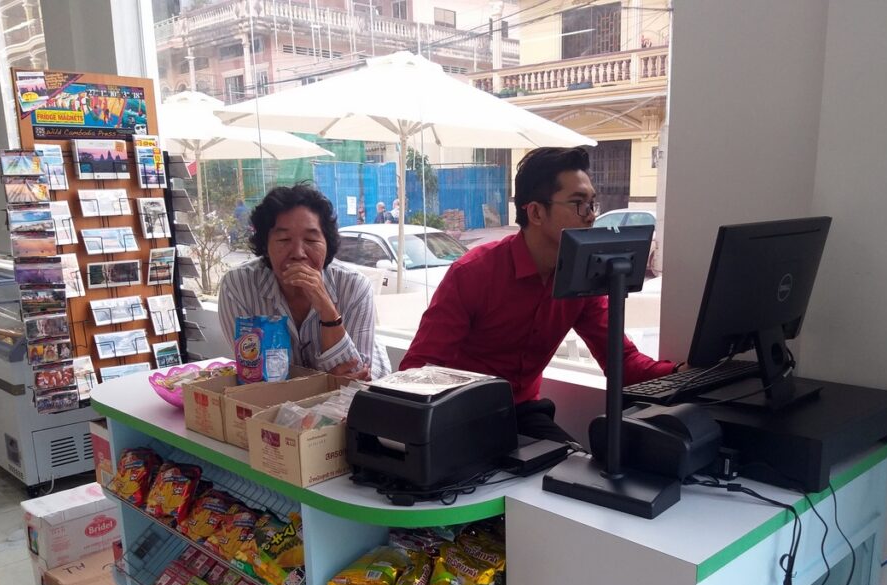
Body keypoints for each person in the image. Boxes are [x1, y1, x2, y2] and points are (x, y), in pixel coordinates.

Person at [399, 146, 678, 442]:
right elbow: (415, 372)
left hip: (523, 414)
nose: (591, 217)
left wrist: (685, 373)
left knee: (576, 469)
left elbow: (622, 363)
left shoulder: (583, 279)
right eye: (579, 204)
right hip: (459, 418)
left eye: (593, 204)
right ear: (535, 212)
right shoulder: (473, 274)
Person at [218, 183, 391, 380]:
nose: (298, 254)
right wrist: (323, 382)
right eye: (284, 240)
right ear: (265, 245)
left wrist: (327, 310)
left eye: (311, 240)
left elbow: (356, 378)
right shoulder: (238, 287)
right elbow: (255, 375)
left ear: (327, 243)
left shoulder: (354, 287)